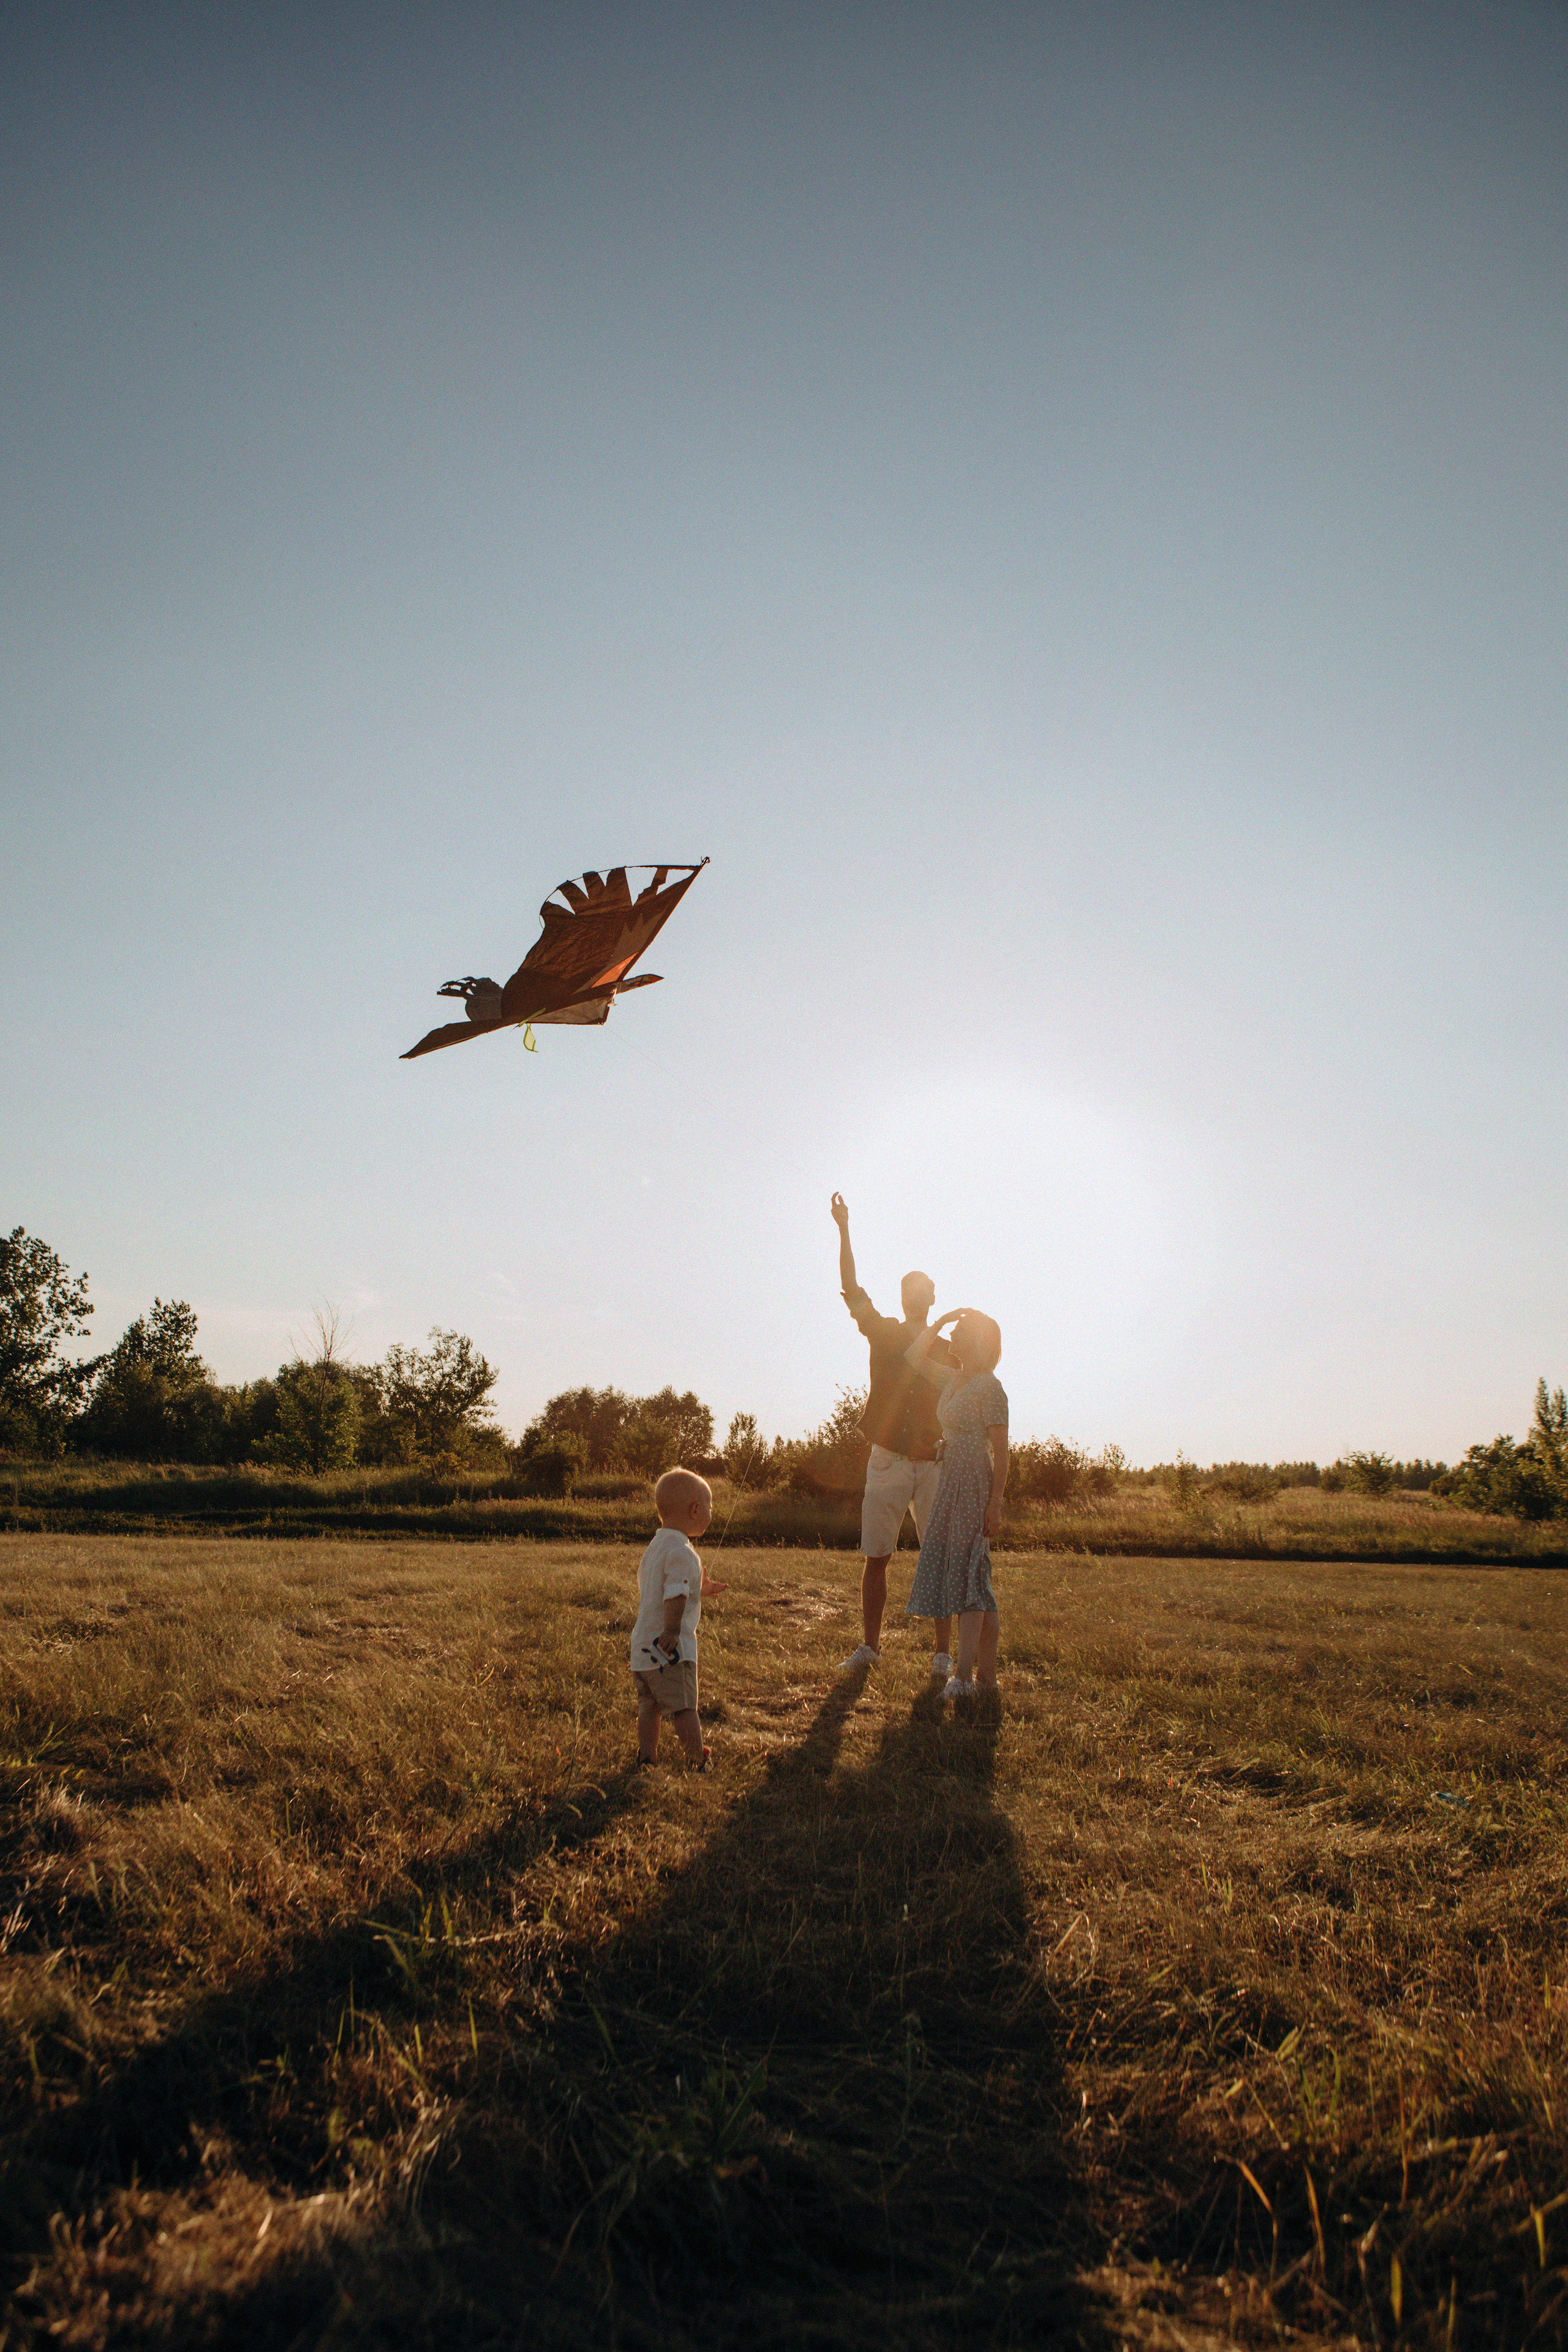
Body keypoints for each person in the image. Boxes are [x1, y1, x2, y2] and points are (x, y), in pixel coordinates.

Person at [831, 1191, 957, 1678]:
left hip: (934, 1461)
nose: (915, 1293)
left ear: (932, 1299)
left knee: (938, 1556)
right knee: (877, 1555)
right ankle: (870, 1647)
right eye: (909, 1287)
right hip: (887, 1458)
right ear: (903, 1298)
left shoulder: (948, 1350)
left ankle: (943, 1654)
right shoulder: (882, 1331)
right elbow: (850, 1286)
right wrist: (844, 1228)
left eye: (923, 1288)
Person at [903, 1310, 1009, 1698]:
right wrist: (939, 1322)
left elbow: (1002, 1451)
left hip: (974, 1481)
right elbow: (913, 1357)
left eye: (961, 1332)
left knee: (969, 1571)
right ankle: (987, 1679)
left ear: (979, 1342)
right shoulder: (952, 1379)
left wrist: (995, 1502)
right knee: (975, 1577)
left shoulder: (990, 1387)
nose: (954, 1336)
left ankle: (963, 1678)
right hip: (950, 1479)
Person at [630, 1467, 725, 1768]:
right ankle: (698, 1760)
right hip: (668, 1649)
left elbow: (664, 1587)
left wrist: (700, 1589)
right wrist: (672, 1630)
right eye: (710, 1507)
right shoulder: (683, 1551)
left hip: (642, 1648)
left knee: (650, 1707)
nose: (711, 1513)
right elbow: (675, 1595)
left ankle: (647, 1757)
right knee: (684, 1707)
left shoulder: (656, 1547)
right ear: (695, 1510)